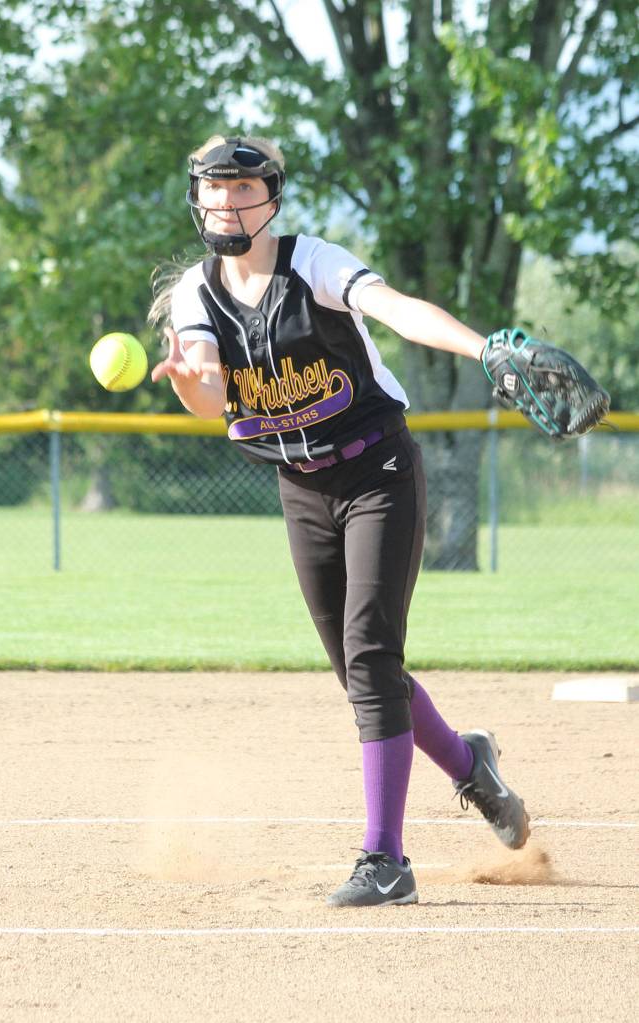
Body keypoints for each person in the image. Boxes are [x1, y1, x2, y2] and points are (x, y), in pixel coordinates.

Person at [149, 134, 529, 907]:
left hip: (378, 467)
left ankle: (386, 860)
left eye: (242, 187)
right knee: (363, 673)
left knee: (369, 652)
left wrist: (483, 347)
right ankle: (470, 766)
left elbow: (396, 310)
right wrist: (191, 380)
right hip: (302, 487)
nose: (226, 200)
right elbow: (211, 395)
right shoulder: (197, 293)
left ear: (272, 196)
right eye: (213, 188)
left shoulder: (311, 262)